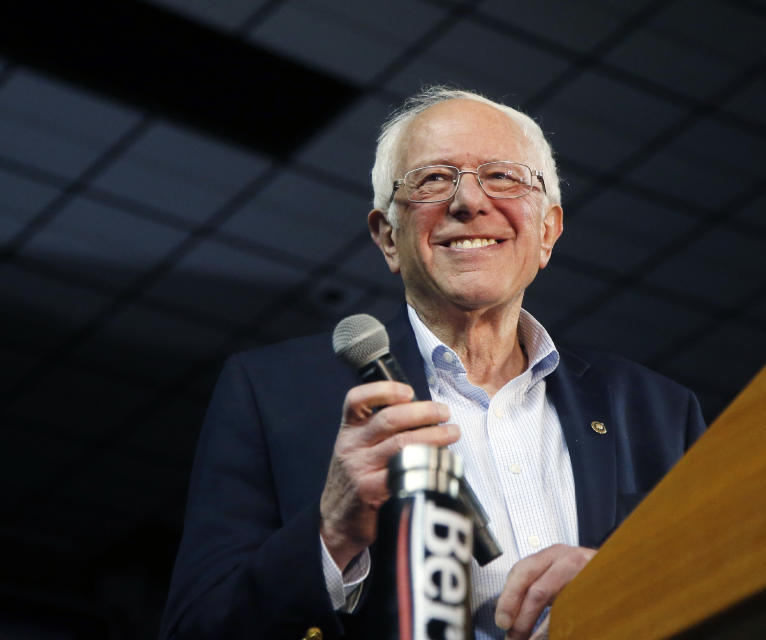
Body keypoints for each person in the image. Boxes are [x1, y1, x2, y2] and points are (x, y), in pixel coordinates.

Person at [159, 86, 706, 640]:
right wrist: (332, 533)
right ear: (388, 238)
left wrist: (623, 582)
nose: (469, 202)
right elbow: (196, 628)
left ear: (547, 232)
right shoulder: (272, 393)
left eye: (502, 176)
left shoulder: (657, 410)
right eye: (433, 180)